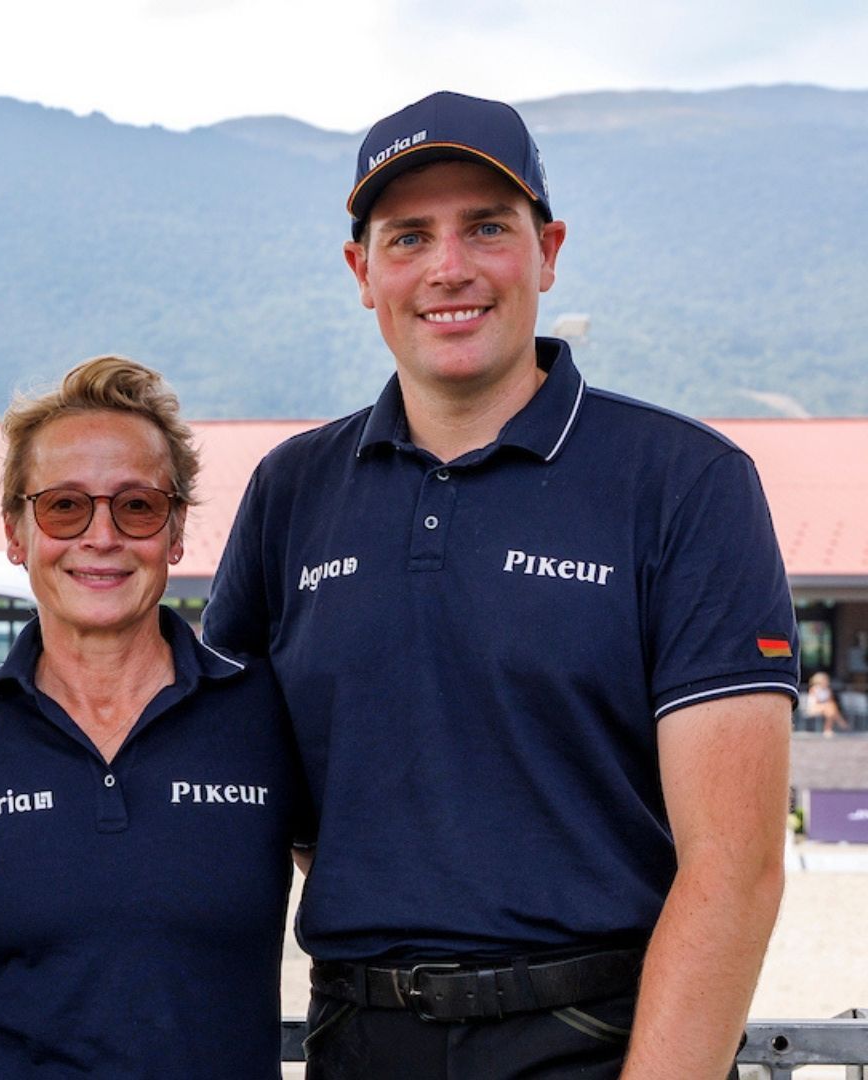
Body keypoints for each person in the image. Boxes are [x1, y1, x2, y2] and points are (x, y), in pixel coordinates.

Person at [205, 91, 800, 1079]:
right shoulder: (292, 492)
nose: (450, 268)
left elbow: (737, 871)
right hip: (361, 1038)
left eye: (486, 226)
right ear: (363, 271)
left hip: (601, 1037)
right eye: (409, 237)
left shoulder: (684, 482)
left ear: (548, 249)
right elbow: (242, 791)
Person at [0, 356, 301, 1077]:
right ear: (17, 532)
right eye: (65, 506)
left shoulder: (266, 711)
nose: (101, 537)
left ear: (174, 534)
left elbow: (356, 897)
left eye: (136, 505)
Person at [808, 671, 848, 736]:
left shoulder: (828, 690)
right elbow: (815, 702)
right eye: (825, 680)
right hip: (814, 708)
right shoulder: (814, 689)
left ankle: (828, 730)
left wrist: (826, 703)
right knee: (831, 708)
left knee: (830, 709)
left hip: (826, 708)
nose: (826, 681)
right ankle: (840, 724)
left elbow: (830, 700)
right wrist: (825, 704)